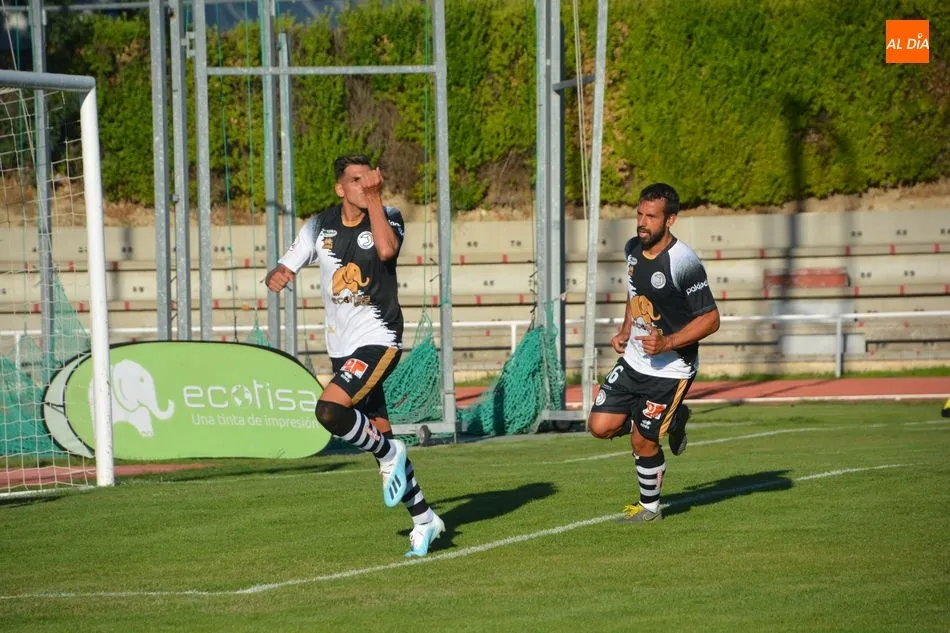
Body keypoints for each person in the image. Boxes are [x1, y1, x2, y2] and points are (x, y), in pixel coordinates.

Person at [265, 154, 444, 556]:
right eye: (356, 181)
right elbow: (283, 265)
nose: (365, 186)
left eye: (370, 180)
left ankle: (389, 453)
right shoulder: (317, 225)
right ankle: (425, 519)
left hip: (378, 338)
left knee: (329, 412)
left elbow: (385, 251)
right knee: (379, 434)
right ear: (340, 188)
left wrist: (377, 200)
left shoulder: (389, 214)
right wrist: (279, 274)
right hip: (340, 346)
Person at [587, 182, 720, 522]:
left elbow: (711, 319)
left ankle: (649, 508)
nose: (642, 223)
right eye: (639, 214)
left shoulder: (684, 263)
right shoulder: (633, 248)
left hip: (671, 368)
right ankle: (669, 419)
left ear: (670, 219)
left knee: (642, 442)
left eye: (651, 216)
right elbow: (635, 294)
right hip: (634, 361)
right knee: (599, 426)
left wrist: (668, 343)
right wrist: (625, 329)